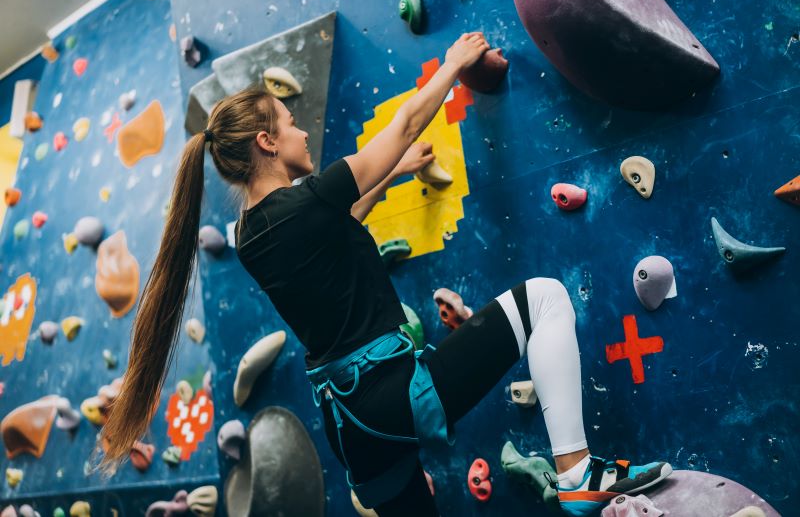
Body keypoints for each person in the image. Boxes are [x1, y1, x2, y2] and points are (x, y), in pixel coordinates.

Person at [99, 32, 672, 516]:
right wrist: (450, 64)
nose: (301, 133)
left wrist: (397, 170)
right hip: (393, 394)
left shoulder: (255, 232)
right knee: (545, 299)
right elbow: (400, 125)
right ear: (266, 142)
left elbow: (342, 222)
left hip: (354, 430)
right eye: (290, 125)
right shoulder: (301, 203)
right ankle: (576, 475)